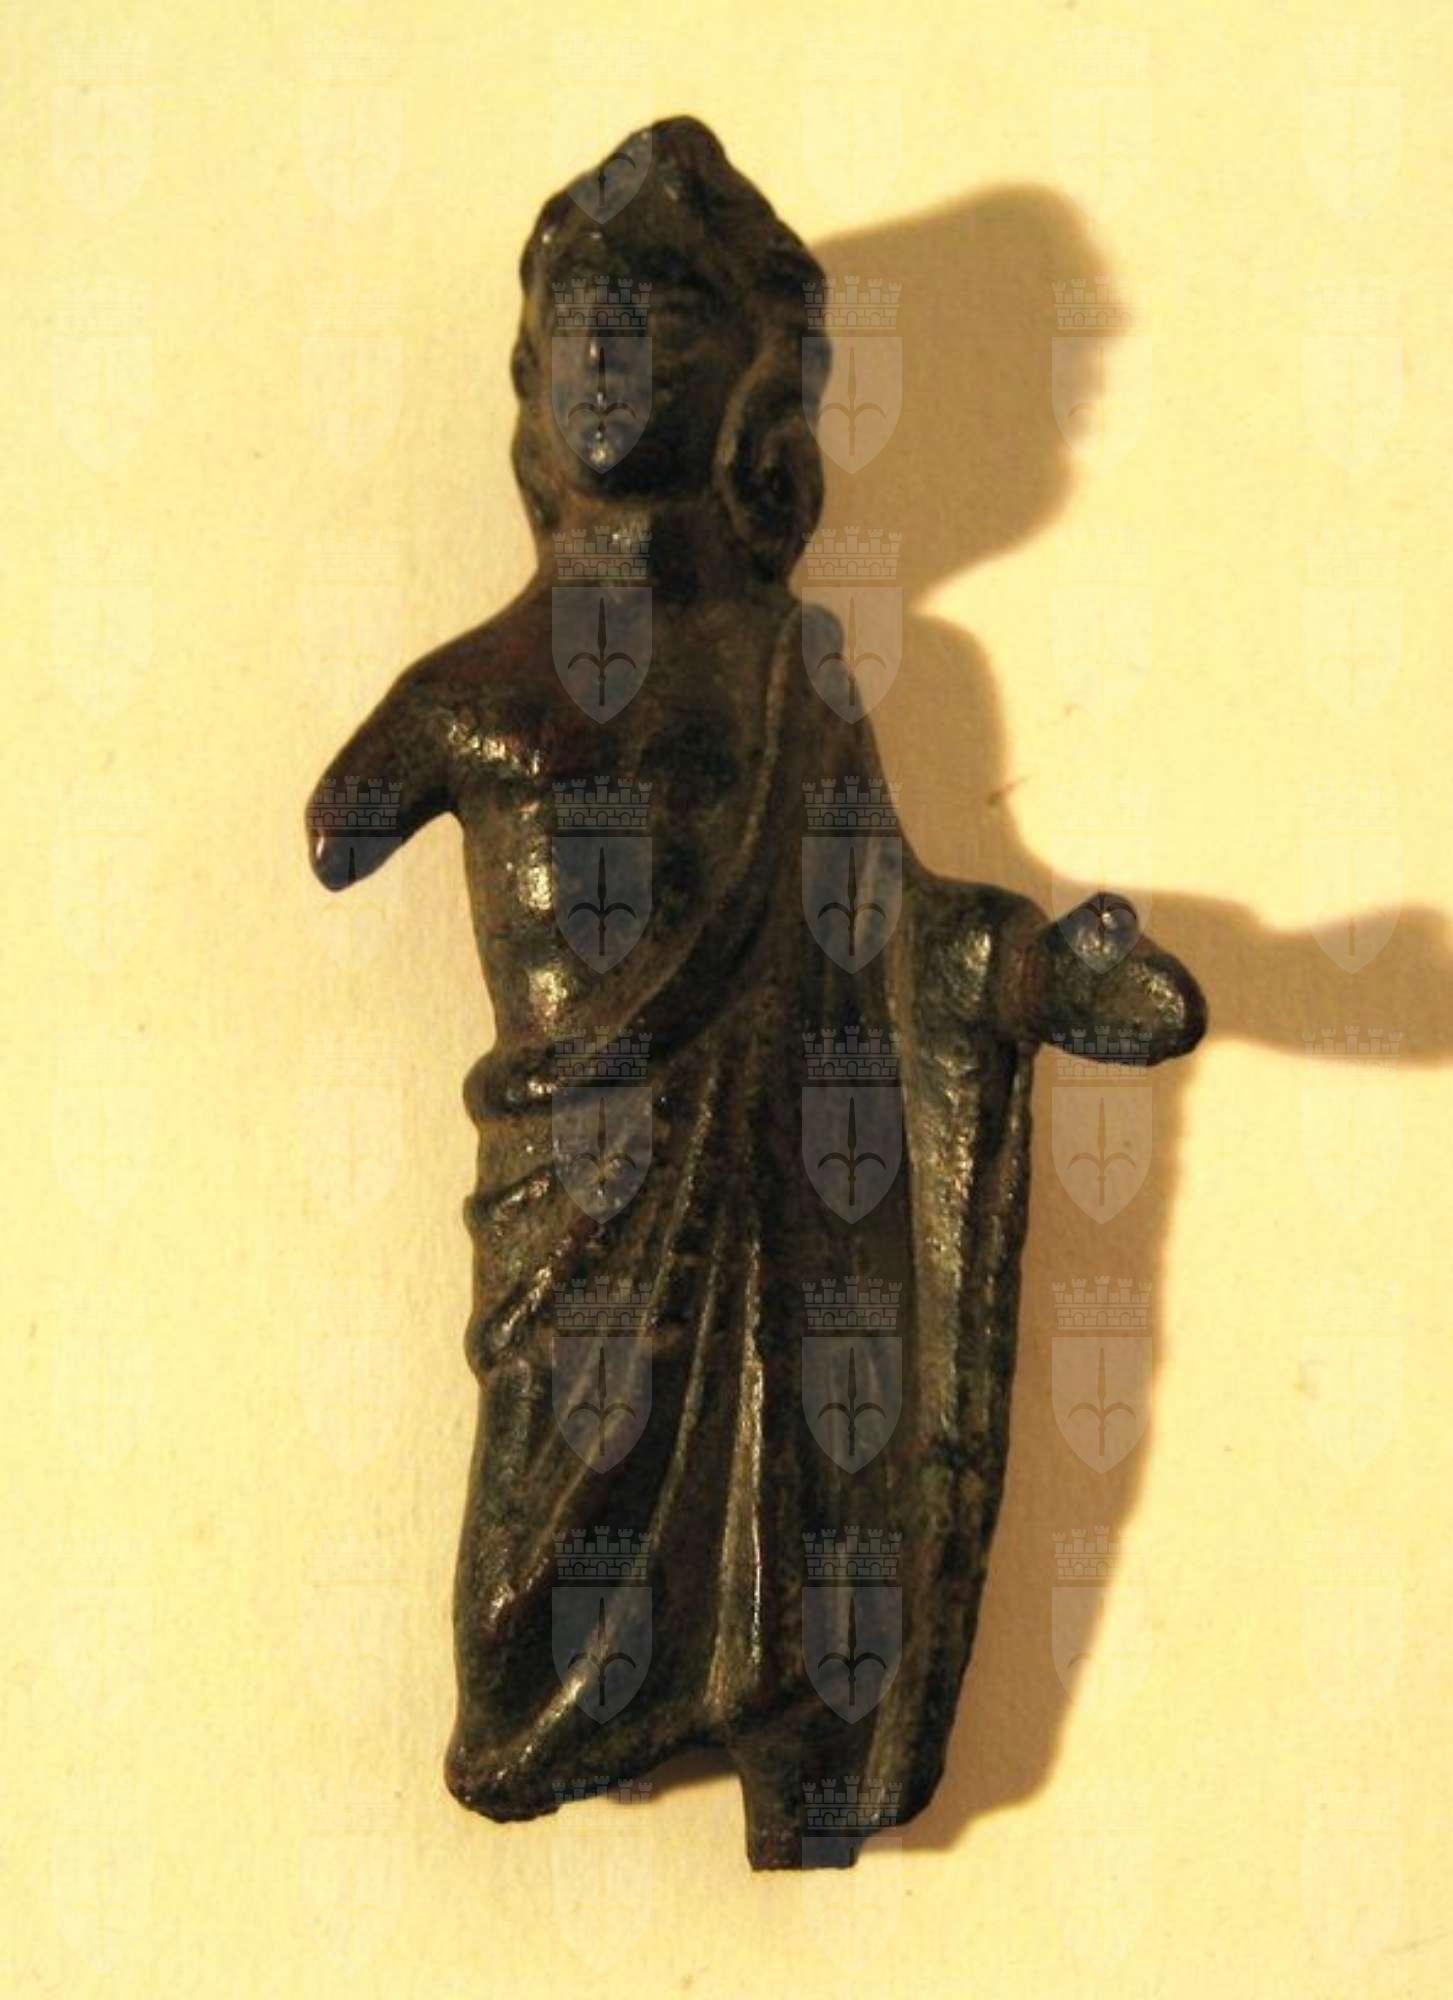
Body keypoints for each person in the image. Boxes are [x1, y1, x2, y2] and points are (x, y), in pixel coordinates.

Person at [305, 117, 1204, 1868]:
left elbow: (880, 925)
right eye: (576, 331)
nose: (602, 367)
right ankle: (549, 1719)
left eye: (646, 332)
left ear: (740, 400)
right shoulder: (471, 689)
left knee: (795, 1491)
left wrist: (1031, 973)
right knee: (537, 1546)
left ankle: (789, 1725)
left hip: (768, 1194)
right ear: (527, 380)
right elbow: (340, 825)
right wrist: (437, 750)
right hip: (575, 1191)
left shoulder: (788, 667)